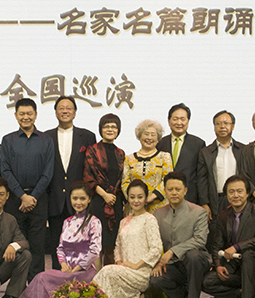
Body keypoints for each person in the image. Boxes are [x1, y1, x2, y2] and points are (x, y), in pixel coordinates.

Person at [16, 181, 102, 298]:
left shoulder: (94, 222)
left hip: (84, 272)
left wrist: (76, 268)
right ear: (70, 199)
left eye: (82, 198)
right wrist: (63, 265)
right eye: (75, 198)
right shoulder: (67, 222)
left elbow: (95, 251)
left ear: (89, 199)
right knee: (41, 277)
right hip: (66, 271)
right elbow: (60, 248)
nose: (78, 202)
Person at [0, 98, 54, 281]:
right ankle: (18, 288)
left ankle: (36, 286)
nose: (26, 117)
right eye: (22, 114)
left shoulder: (46, 140)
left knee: (38, 246)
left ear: (36, 115)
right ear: (16, 115)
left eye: (29, 113)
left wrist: (33, 196)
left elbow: (48, 172)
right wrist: (22, 196)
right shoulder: (8, 140)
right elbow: (5, 171)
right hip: (15, 200)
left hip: (39, 199)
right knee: (17, 245)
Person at [202, 175, 255, 298]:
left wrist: (237, 247)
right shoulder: (223, 216)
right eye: (231, 192)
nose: (236, 195)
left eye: (240, 191)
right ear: (226, 195)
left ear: (247, 193)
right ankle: (241, 296)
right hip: (234, 265)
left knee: (248, 254)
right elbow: (216, 245)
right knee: (207, 282)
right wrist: (218, 265)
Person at [93, 179, 162, 298]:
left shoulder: (149, 219)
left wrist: (136, 265)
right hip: (124, 269)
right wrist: (119, 262)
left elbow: (156, 249)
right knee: (108, 272)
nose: (136, 200)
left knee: (106, 271)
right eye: (132, 197)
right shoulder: (124, 221)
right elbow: (117, 246)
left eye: (140, 197)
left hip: (141, 272)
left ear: (146, 198)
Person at [45, 96, 96, 270]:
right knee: (56, 247)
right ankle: (57, 282)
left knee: (82, 246)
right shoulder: (46, 137)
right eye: (61, 108)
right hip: (55, 201)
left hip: (79, 201)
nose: (65, 111)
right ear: (55, 112)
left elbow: (91, 168)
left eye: (69, 108)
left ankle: (79, 284)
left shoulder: (87, 136)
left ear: (74, 112)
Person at [150, 171, 210, 298]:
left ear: (185, 191)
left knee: (193, 255)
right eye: (170, 189)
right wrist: (158, 262)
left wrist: (172, 251)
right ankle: (180, 297)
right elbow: (154, 241)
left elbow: (200, 240)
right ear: (165, 191)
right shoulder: (158, 214)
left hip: (196, 262)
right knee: (155, 279)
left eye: (178, 189)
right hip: (173, 265)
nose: (174, 193)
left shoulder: (199, 212)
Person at [84, 113, 125, 265]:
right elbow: (88, 177)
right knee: (98, 243)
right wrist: (105, 195)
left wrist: (113, 196)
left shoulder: (120, 153)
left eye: (114, 127)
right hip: (98, 201)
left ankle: (110, 276)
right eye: (106, 126)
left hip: (115, 202)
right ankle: (97, 277)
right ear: (100, 129)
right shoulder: (92, 150)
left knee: (113, 244)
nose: (110, 129)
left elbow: (122, 178)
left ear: (118, 130)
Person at [197, 110, 246, 221]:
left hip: (238, 198)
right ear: (214, 128)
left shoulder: (243, 150)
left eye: (226, 123)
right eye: (218, 124)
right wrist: (204, 203)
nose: (222, 126)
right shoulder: (206, 152)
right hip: (216, 201)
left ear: (232, 126)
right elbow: (202, 180)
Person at [156, 103, 206, 207]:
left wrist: (204, 202)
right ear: (169, 121)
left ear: (188, 121)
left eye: (183, 119)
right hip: (163, 201)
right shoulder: (160, 143)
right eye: (175, 119)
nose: (179, 122)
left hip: (190, 199)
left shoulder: (198, 144)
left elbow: (201, 176)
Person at [121, 120, 173, 213]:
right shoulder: (129, 159)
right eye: (146, 134)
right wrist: (135, 199)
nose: (149, 137)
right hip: (134, 207)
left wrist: (151, 197)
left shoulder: (165, 157)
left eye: (153, 135)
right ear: (139, 136)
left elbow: (168, 180)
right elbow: (125, 182)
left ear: (158, 139)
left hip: (158, 207)